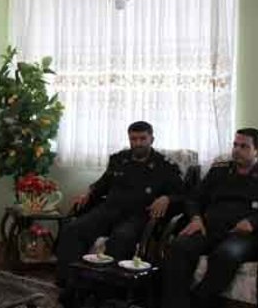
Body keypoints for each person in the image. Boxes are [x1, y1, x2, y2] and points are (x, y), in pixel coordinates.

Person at [56, 121, 184, 284]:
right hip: (108, 210)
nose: (138, 143)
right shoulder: (119, 159)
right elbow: (102, 184)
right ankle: (70, 283)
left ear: (152, 139)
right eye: (133, 139)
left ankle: (109, 288)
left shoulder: (165, 165)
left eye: (142, 139)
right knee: (73, 229)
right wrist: (89, 192)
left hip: (137, 216)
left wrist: (167, 198)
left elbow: (182, 194)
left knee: (121, 239)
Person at [161, 128, 258, 308]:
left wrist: (254, 222)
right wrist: (196, 218)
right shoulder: (219, 170)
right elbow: (193, 198)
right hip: (209, 227)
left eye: (244, 146)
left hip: (244, 234)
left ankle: (199, 301)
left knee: (225, 256)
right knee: (179, 247)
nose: (237, 150)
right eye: (235, 145)